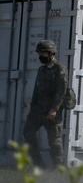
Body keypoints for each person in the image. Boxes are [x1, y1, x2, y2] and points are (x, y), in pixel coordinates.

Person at [23, 39, 69, 169]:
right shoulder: (41, 70)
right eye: (39, 53)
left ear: (51, 53)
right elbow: (36, 91)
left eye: (42, 53)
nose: (40, 56)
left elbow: (62, 91)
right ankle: (38, 164)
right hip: (38, 110)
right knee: (28, 132)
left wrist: (54, 109)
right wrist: (32, 109)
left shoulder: (60, 69)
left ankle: (58, 167)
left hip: (52, 111)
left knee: (54, 141)